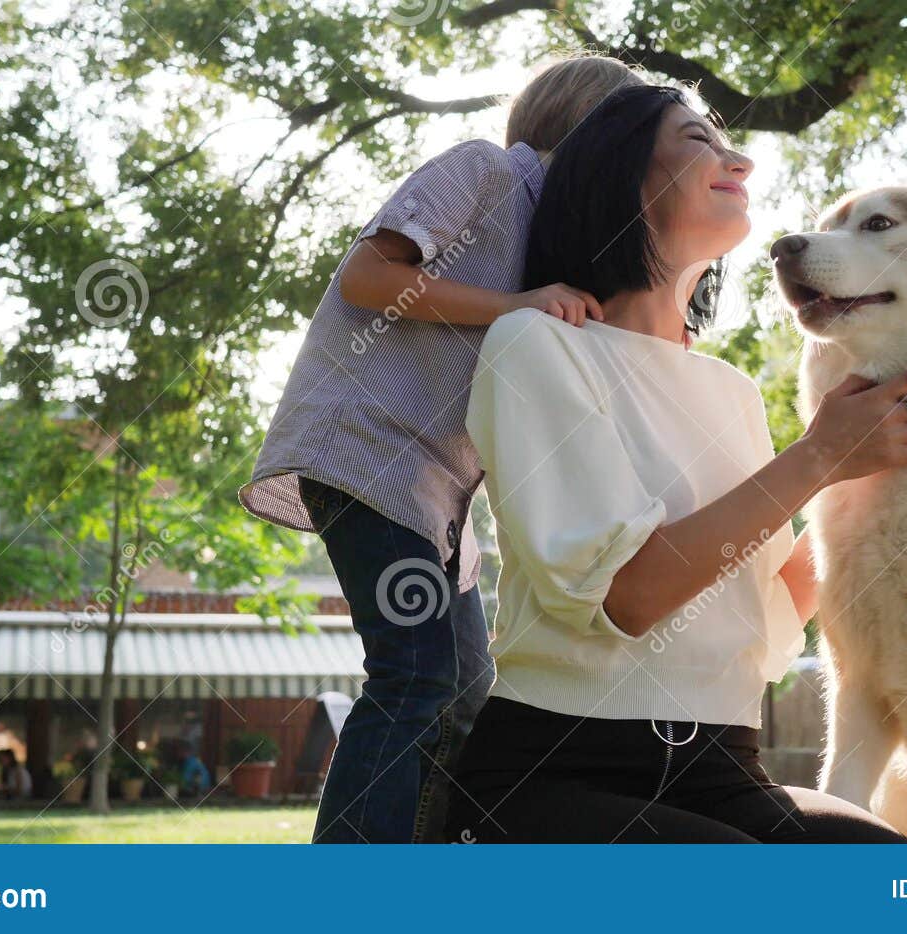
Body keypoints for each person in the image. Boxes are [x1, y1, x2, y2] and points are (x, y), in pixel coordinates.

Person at [445, 84, 907, 842]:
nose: (741, 158)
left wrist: (905, 468)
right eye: (698, 140)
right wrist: (823, 452)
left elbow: (764, 612)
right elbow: (630, 596)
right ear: (618, 177)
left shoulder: (731, 391)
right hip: (557, 769)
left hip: (724, 768)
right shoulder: (536, 345)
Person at [238, 55, 644, 843]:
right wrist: (514, 305)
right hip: (368, 455)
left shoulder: (552, 242)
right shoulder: (485, 172)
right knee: (414, 673)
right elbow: (366, 275)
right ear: (591, 127)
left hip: (437, 502)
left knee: (464, 687)